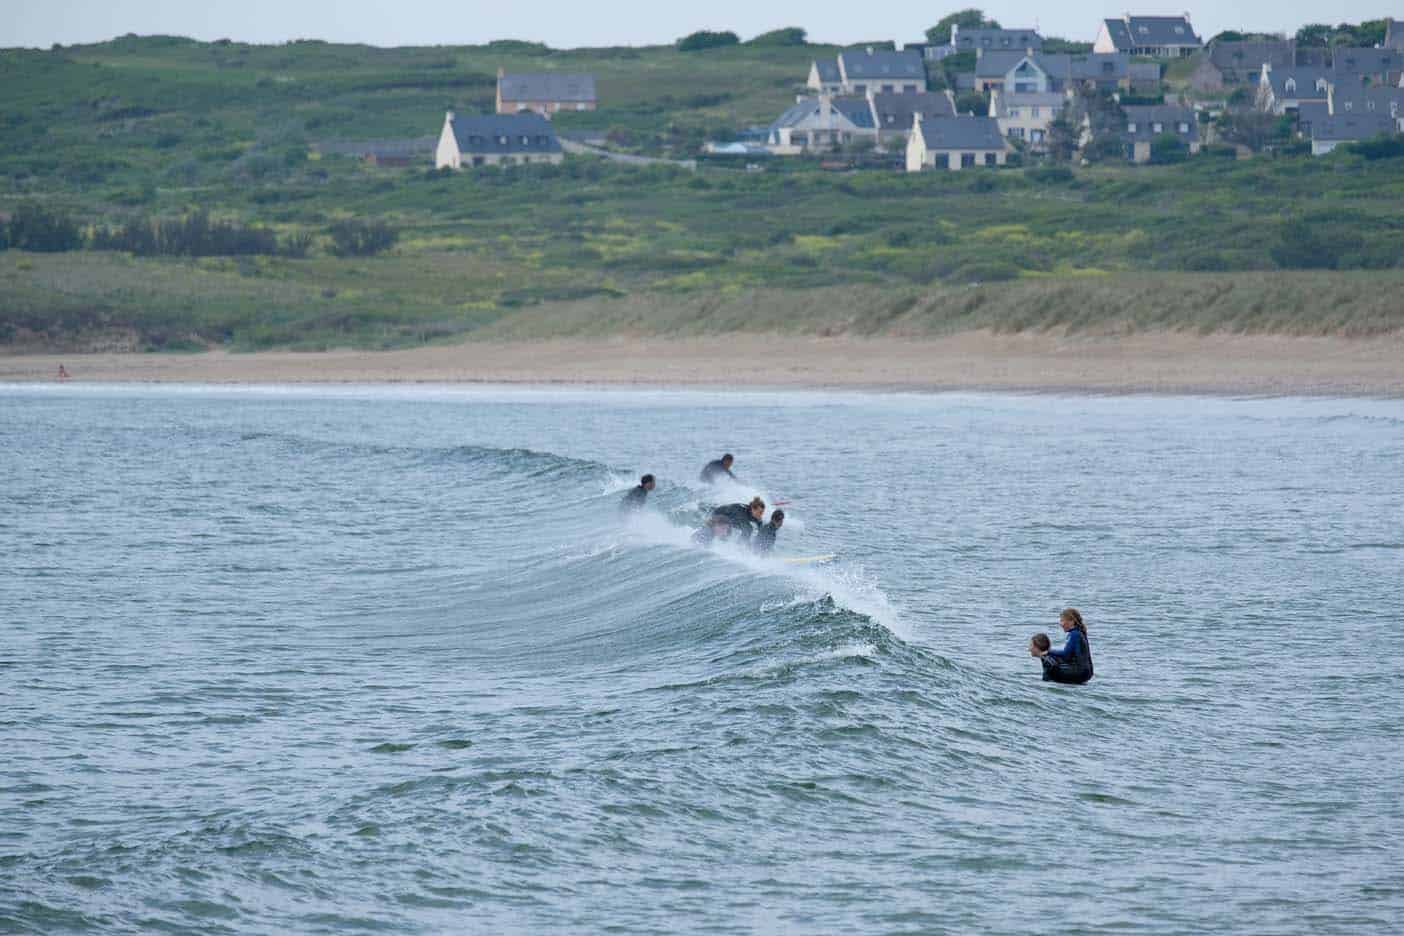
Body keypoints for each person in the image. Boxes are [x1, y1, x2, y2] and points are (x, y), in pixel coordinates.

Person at [1032, 608, 1094, 684]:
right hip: (1087, 673)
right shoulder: (1081, 633)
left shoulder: (1074, 634)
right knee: (1052, 656)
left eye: (1062, 620)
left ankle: (1045, 684)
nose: (1060, 623)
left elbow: (1066, 654)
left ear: (1071, 621)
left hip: (1079, 673)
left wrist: (1047, 652)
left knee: (1046, 657)